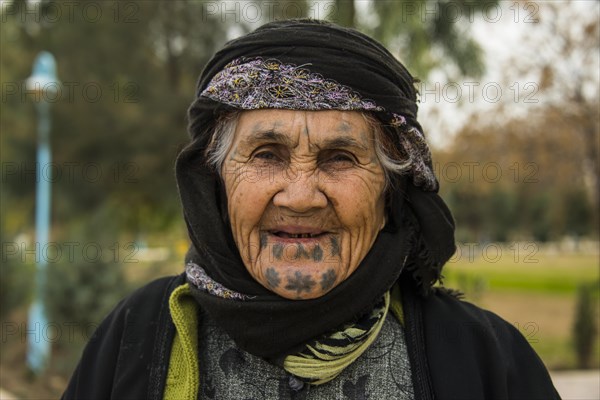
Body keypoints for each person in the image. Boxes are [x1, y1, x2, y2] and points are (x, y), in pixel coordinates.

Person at [62, 19, 560, 399]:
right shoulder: (137, 334)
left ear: (389, 193)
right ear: (217, 186)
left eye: (340, 158)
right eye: (266, 155)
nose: (300, 196)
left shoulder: (482, 358)